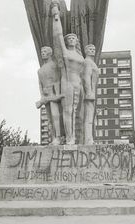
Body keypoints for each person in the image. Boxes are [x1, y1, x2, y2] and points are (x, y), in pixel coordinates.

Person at [52, 1, 85, 145]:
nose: (71, 39)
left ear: (77, 40)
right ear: (67, 41)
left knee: (77, 113)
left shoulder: (80, 56)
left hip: (79, 84)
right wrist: (56, 16)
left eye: (73, 38)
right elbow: (58, 36)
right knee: (67, 111)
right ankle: (70, 138)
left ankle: (76, 137)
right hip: (67, 83)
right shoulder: (64, 52)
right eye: (69, 38)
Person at [36, 46, 63, 145]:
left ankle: (58, 137)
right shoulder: (40, 70)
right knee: (49, 118)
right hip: (46, 95)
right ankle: (53, 137)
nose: (43, 53)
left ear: (50, 53)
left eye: (45, 51)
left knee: (56, 116)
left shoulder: (54, 65)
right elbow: (40, 84)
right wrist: (42, 96)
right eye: (42, 51)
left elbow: (57, 80)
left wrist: (57, 94)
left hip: (53, 93)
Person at [82, 44, 99, 144]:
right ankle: (88, 139)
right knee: (88, 117)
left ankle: (89, 138)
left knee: (90, 117)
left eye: (93, 49)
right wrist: (89, 92)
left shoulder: (91, 62)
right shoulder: (88, 62)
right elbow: (86, 77)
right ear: (86, 51)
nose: (92, 51)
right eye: (90, 49)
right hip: (89, 94)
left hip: (92, 92)